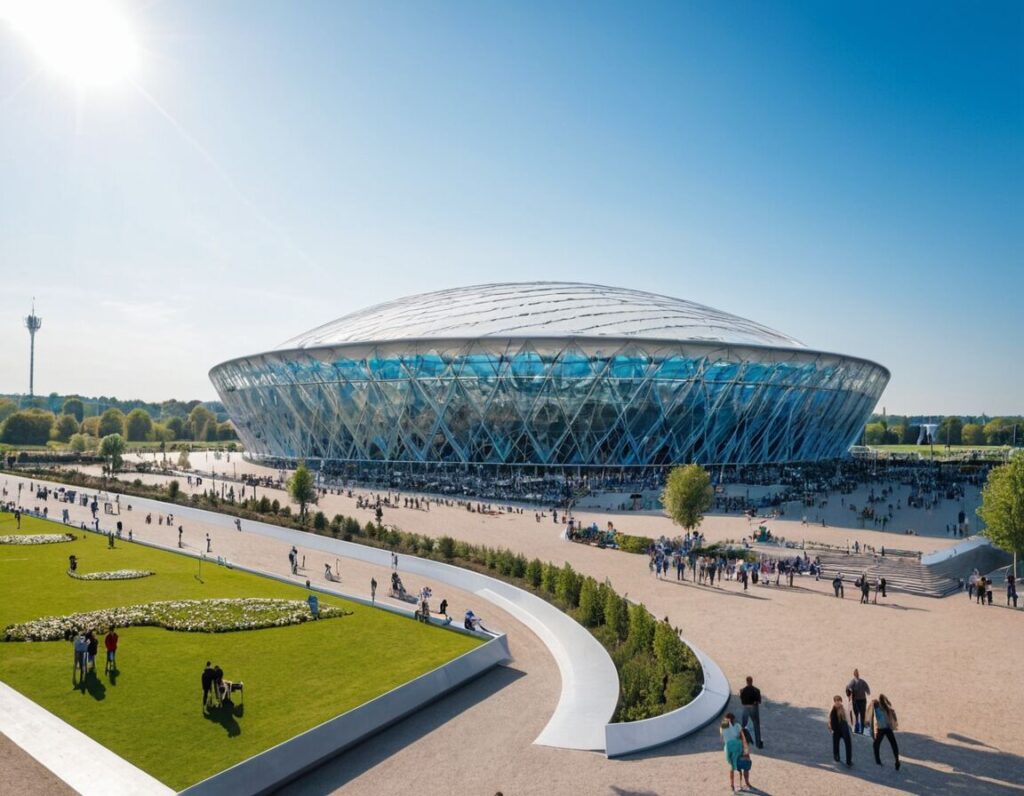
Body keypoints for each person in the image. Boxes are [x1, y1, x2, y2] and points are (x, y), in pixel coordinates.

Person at [720, 712, 751, 793]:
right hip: (738, 747)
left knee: (734, 767)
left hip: (729, 749)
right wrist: (746, 751)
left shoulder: (724, 725)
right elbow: (742, 737)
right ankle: (746, 783)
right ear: (733, 719)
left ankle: (733, 785)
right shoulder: (737, 725)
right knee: (744, 765)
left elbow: (722, 735)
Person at [870, 694, 901, 769]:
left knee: (876, 745)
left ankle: (878, 761)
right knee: (893, 744)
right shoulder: (888, 708)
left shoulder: (877, 706)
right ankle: (897, 760)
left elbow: (871, 707)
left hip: (881, 729)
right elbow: (894, 718)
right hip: (888, 728)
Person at [739, 676, 764, 749]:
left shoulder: (742, 690)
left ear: (746, 682)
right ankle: (758, 743)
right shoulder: (756, 690)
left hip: (745, 708)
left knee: (744, 725)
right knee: (756, 725)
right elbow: (759, 701)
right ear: (752, 681)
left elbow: (742, 702)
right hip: (754, 708)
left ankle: (744, 741)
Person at [829, 694, 853, 766]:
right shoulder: (832, 709)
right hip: (836, 729)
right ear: (834, 702)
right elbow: (829, 719)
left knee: (848, 744)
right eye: (836, 701)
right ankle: (836, 757)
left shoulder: (844, 709)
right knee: (835, 743)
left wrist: (851, 728)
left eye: (839, 701)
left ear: (841, 701)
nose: (837, 703)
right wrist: (830, 727)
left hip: (844, 729)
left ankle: (848, 761)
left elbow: (848, 718)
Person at [846, 669, 871, 734]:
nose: (857, 675)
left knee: (858, 715)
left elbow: (848, 688)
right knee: (858, 715)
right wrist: (850, 694)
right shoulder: (855, 681)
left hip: (859, 700)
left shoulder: (858, 681)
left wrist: (849, 694)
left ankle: (859, 729)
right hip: (858, 700)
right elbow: (848, 688)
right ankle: (860, 729)